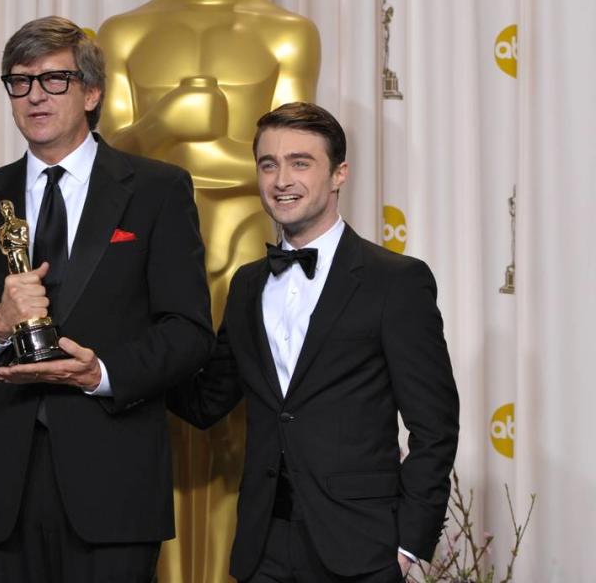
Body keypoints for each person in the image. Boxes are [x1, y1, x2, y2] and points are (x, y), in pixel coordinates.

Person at [0, 16, 213, 583]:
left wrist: (101, 372)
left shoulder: (158, 190)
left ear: (92, 92)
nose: (35, 95)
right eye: (20, 81)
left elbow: (188, 331)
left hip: (115, 476)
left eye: (54, 79)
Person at [168, 102, 459, 583]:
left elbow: (435, 427)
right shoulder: (245, 285)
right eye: (268, 164)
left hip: (361, 547)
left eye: (300, 163)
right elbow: (206, 401)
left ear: (339, 173)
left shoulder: (396, 281)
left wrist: (409, 544)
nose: (281, 179)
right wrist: (119, 362)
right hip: (262, 546)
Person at [96, 4, 320, 580]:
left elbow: (293, 168)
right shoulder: (124, 32)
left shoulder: (287, 33)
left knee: (250, 419)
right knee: (144, 404)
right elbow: (105, 163)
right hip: (141, 248)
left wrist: (186, 146)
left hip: (245, 243)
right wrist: (163, 122)